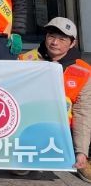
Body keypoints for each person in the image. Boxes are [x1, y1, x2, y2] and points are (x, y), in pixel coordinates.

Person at [19, 18, 91, 182]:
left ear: (72, 43)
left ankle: (83, 158)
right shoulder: (25, 60)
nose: (54, 42)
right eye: (51, 36)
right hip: (31, 123)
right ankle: (22, 152)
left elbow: (83, 113)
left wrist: (81, 151)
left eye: (62, 39)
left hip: (65, 128)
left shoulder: (84, 71)